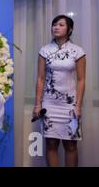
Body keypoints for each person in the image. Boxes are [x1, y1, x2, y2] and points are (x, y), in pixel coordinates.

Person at [33, 15, 86, 167]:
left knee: (70, 145)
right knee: (51, 144)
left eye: (61, 25)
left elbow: (81, 80)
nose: (56, 27)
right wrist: (38, 105)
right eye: (54, 24)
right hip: (49, 104)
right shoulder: (45, 50)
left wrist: (78, 106)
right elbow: (40, 79)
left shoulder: (78, 51)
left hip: (70, 105)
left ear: (70, 30)